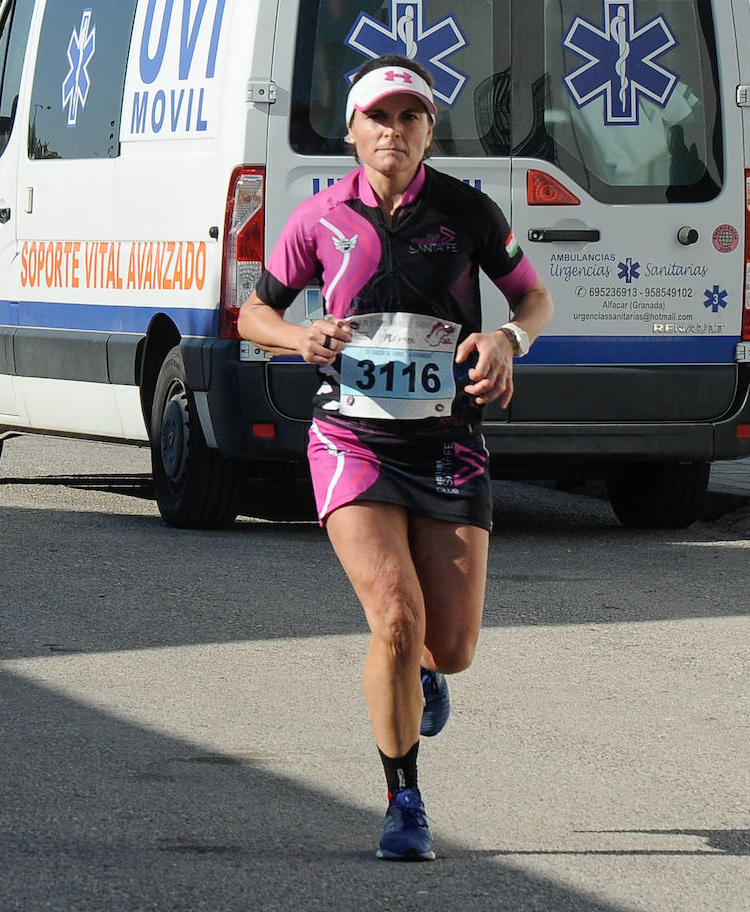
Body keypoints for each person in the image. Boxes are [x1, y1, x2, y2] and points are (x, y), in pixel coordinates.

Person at [237, 55, 553, 860]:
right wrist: (298, 335)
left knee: (451, 647)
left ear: (429, 131)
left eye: (410, 117)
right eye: (378, 117)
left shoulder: (466, 211)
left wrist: (507, 339)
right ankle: (403, 800)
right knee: (396, 618)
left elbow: (532, 296)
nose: (394, 131)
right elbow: (252, 314)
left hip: (448, 442)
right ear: (352, 131)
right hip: (353, 441)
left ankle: (424, 673)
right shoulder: (319, 218)